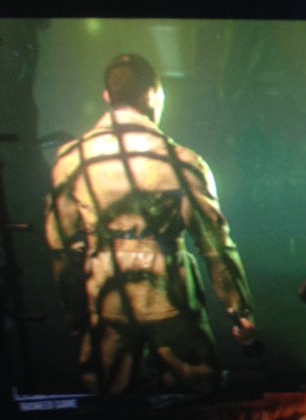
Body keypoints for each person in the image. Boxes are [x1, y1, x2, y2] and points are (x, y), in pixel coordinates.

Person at [44, 54, 256, 394]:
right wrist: (240, 312)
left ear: (107, 96)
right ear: (153, 95)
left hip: (106, 299)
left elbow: (62, 248)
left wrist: (73, 311)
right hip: (171, 299)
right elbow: (215, 246)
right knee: (197, 400)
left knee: (110, 405)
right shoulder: (182, 162)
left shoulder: (72, 160)